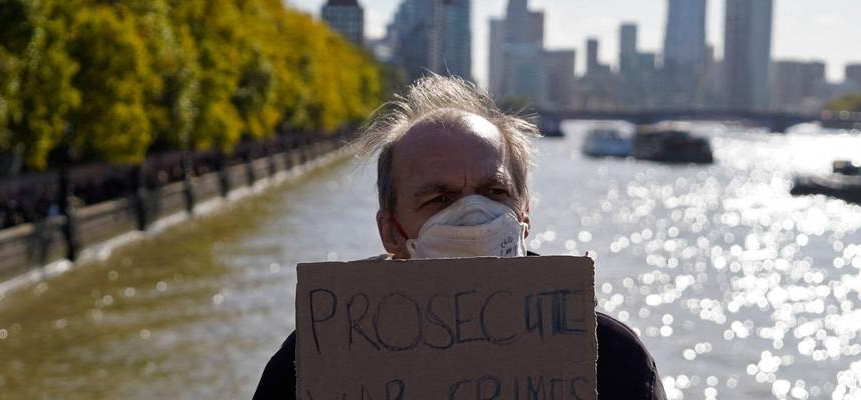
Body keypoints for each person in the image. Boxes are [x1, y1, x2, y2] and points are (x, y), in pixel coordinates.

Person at [252, 75, 666, 399]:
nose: (473, 216)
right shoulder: (312, 363)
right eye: (439, 198)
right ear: (390, 232)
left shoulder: (611, 359)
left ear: (525, 214)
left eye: (494, 192)